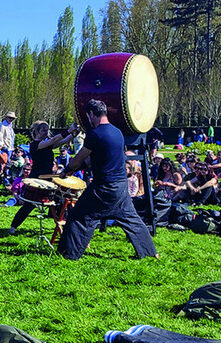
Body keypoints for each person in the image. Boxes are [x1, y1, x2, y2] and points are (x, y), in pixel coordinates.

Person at [57, 99, 158, 261]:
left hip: (103, 187)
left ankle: (68, 255)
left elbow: (79, 159)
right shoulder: (117, 132)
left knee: (79, 217)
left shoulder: (95, 134)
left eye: (88, 116)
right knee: (132, 220)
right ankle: (150, 252)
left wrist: (68, 170)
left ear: (91, 114)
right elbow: (97, 159)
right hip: (120, 186)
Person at [9, 121, 77, 234]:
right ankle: (13, 227)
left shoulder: (46, 144)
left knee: (59, 201)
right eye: (43, 130)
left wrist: (74, 134)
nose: (46, 132)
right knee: (29, 205)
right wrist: (68, 130)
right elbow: (53, 140)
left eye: (47, 130)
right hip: (37, 178)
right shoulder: (36, 145)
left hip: (48, 178)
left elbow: (61, 141)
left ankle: (63, 227)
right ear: (36, 132)